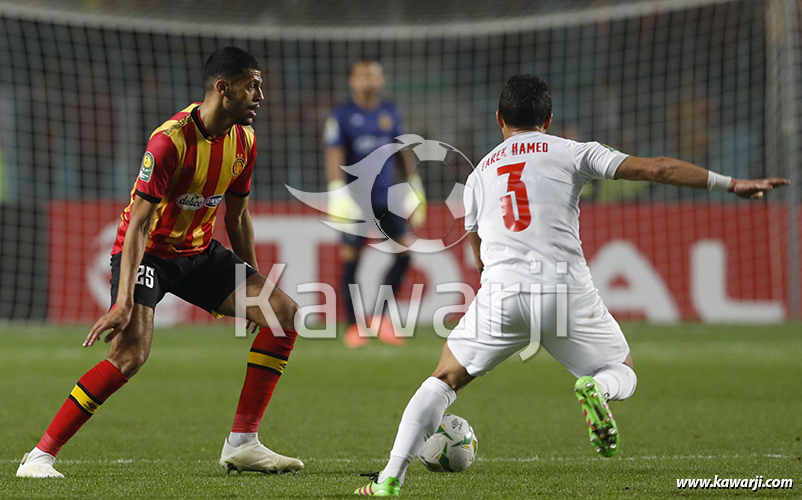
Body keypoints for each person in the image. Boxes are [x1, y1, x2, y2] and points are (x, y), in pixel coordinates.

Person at [353, 74, 789, 496]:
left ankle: (389, 478)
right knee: (621, 369)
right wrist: (730, 183)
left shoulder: (480, 172)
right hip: (564, 290)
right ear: (548, 119)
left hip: (502, 293)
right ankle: (597, 389)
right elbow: (657, 168)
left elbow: (477, 249)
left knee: (444, 379)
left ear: (499, 118)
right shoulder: (573, 151)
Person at [17, 47, 304, 478]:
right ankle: (40, 456)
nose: (260, 96)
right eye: (252, 86)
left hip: (199, 253)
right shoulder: (169, 141)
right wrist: (123, 300)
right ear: (223, 88)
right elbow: (138, 225)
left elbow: (238, 216)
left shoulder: (244, 140)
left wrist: (253, 280)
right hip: (150, 253)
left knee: (282, 314)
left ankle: (243, 443)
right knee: (129, 356)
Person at [324, 60, 423, 348]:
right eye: (363, 75)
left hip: (385, 197)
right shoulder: (341, 115)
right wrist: (336, 191)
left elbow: (403, 150)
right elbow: (333, 153)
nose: (368, 80)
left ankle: (379, 318)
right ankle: (354, 327)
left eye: (374, 75)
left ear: (381, 80)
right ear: (352, 80)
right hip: (354, 200)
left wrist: (415, 184)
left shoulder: (389, 112)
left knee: (404, 255)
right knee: (351, 260)